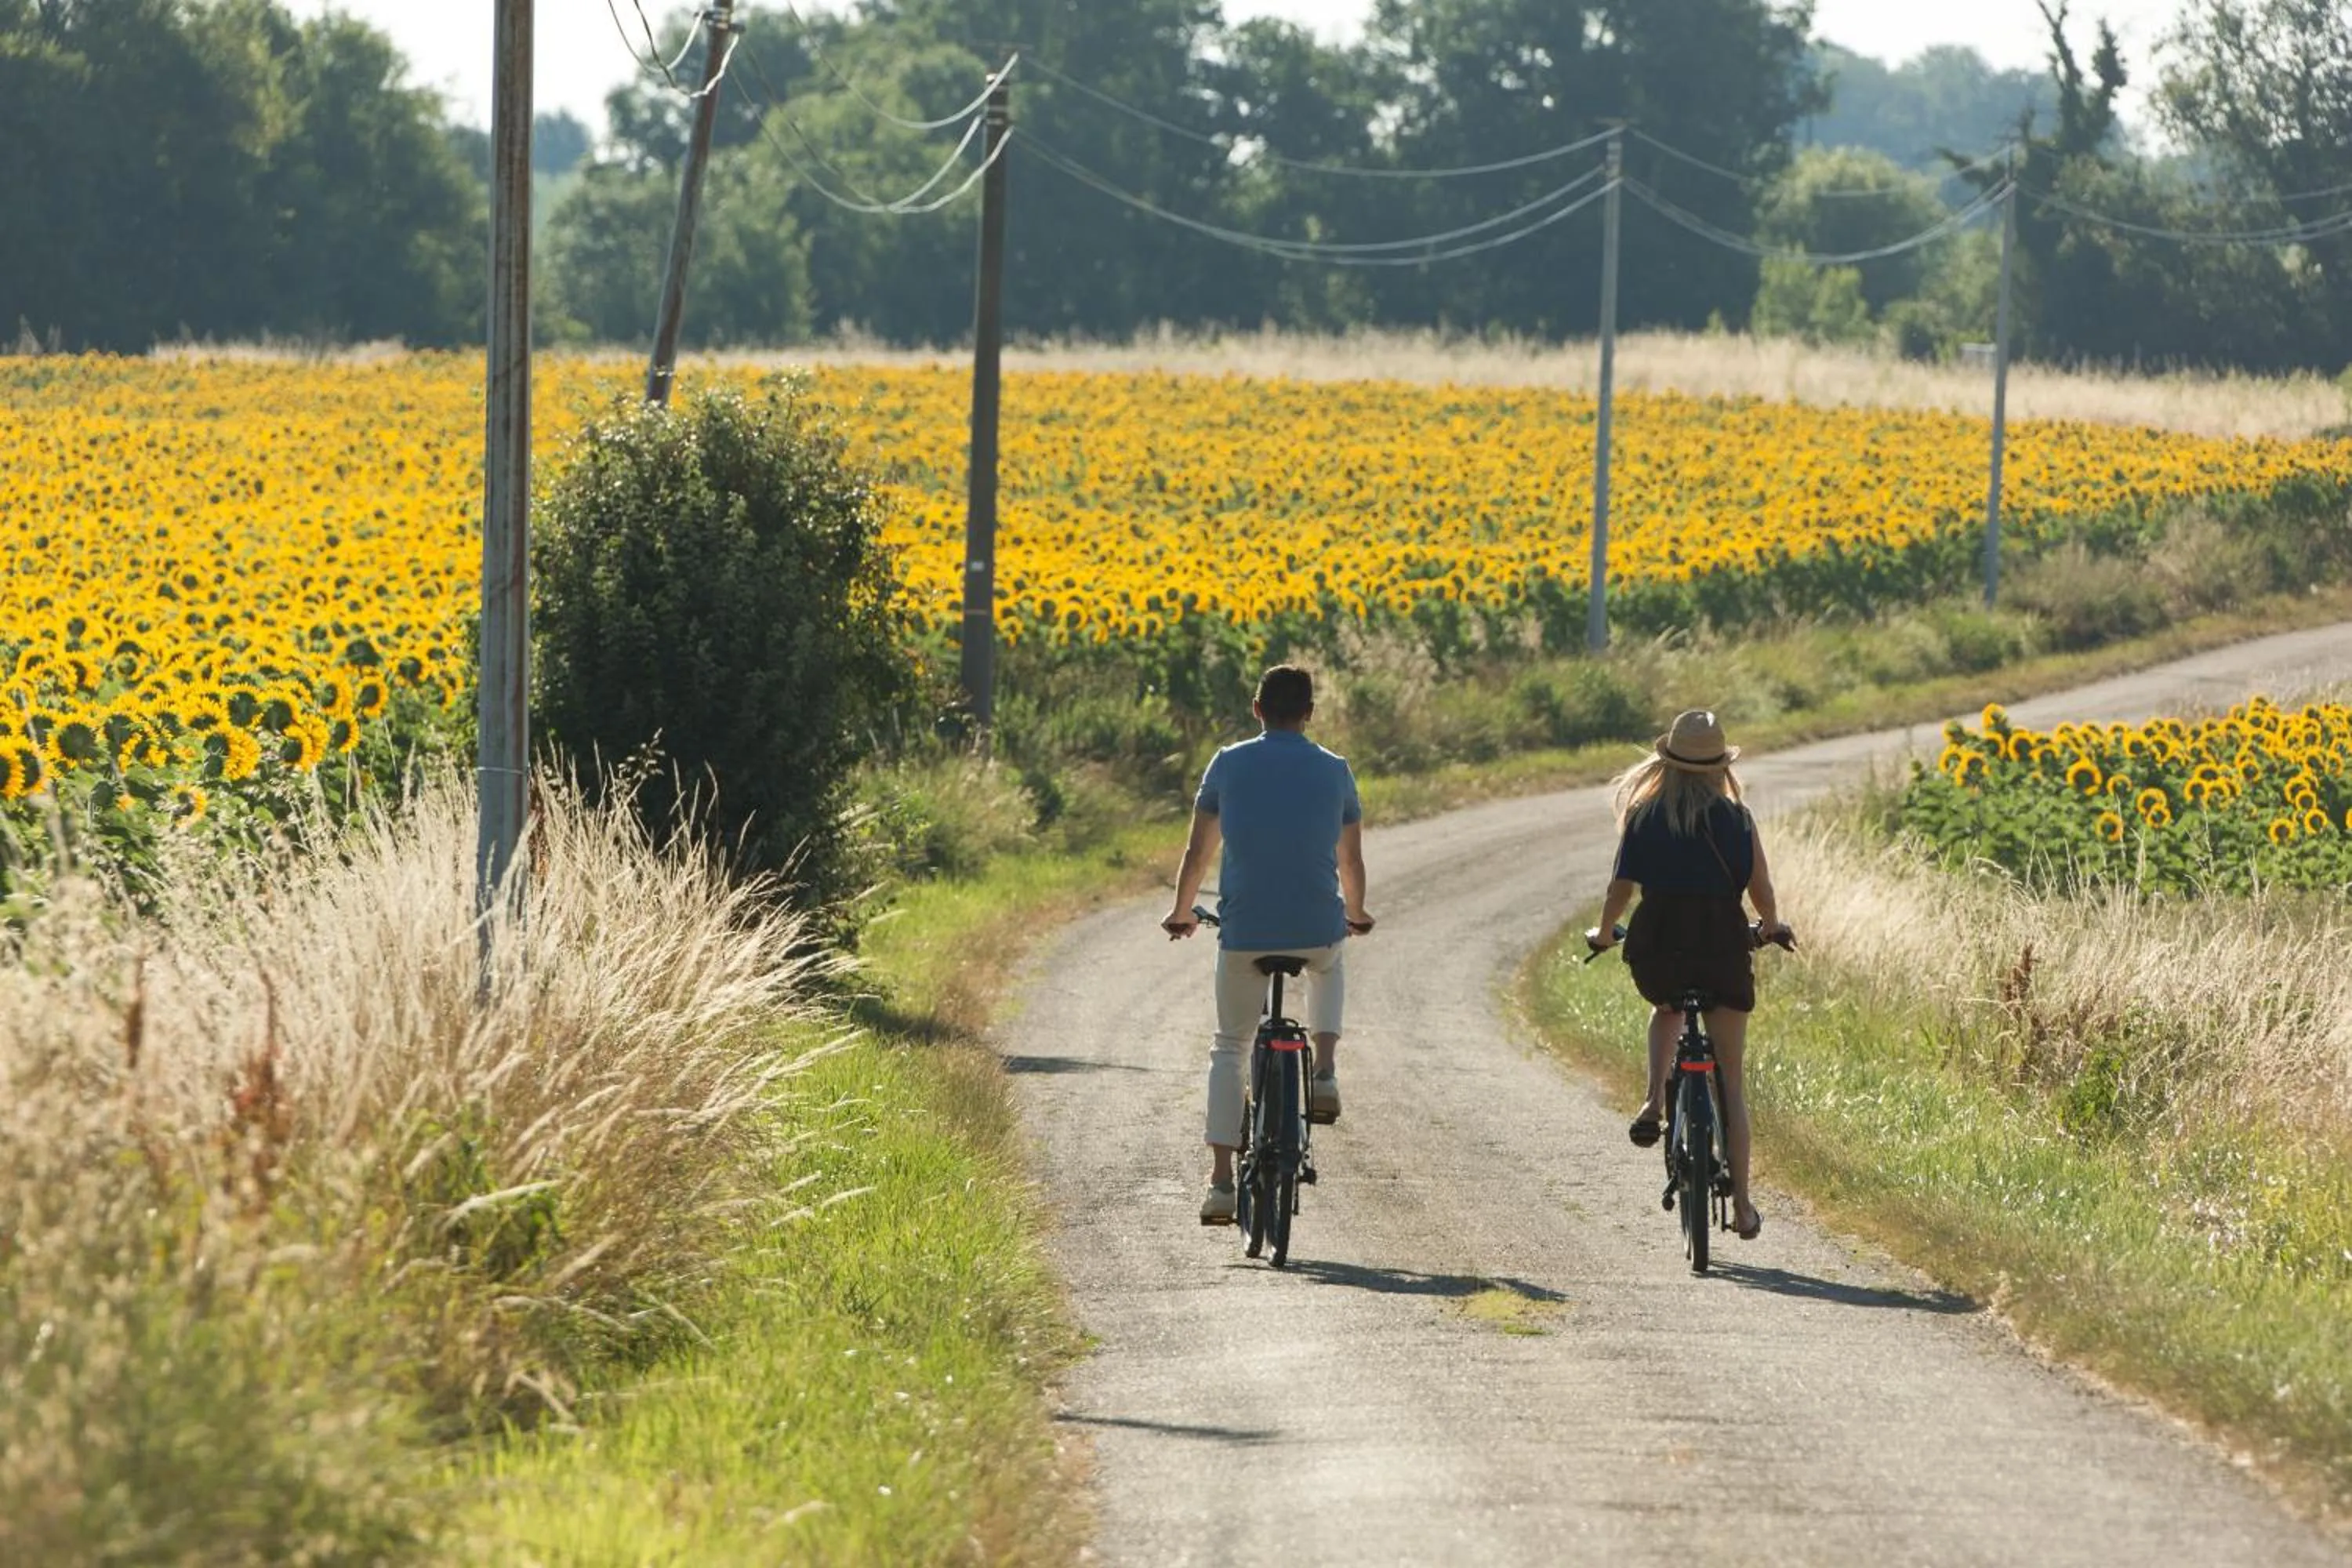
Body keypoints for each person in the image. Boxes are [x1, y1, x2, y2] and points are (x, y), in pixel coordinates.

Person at [1163, 665, 1375, 1227]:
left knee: (1230, 1047)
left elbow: (1197, 855)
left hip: (1245, 933)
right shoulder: (1335, 770)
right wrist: (1355, 915)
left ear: (1256, 709)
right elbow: (1351, 861)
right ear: (1310, 713)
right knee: (1330, 963)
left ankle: (1220, 1184)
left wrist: (1182, 913)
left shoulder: (1227, 764)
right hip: (1316, 927)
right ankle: (1324, 1072)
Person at [1584, 709, 1793, 1241]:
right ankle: (1742, 1208)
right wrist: (1770, 926)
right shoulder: (1737, 819)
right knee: (1730, 1082)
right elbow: (1762, 890)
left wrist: (1604, 933)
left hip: (1659, 948)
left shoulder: (1645, 816)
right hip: (1722, 946)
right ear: (1720, 767)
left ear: (1669, 764)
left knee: (1667, 1007)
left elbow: (1619, 891)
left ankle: (1655, 1100)